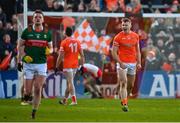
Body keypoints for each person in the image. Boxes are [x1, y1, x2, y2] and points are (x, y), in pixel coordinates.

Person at [17, 10, 53, 119]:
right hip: (29, 65)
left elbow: (51, 48)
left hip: (41, 64)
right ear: (32, 19)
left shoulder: (47, 33)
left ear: (43, 19)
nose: (37, 18)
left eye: (39, 17)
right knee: (27, 92)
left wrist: (49, 51)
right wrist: (21, 58)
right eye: (35, 17)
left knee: (38, 88)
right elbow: (20, 46)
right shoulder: (26, 31)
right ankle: (27, 96)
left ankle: (34, 112)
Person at [112, 18, 141, 112]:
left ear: (130, 25)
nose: (124, 26)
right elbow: (114, 52)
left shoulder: (136, 36)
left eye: (126, 25)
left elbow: (138, 51)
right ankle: (124, 103)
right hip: (122, 63)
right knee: (123, 82)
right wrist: (120, 63)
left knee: (130, 86)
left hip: (133, 63)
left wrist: (139, 62)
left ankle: (125, 99)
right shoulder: (118, 37)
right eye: (123, 25)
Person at [55, 27, 85, 105]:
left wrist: (56, 66)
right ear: (72, 33)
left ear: (65, 33)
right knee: (69, 82)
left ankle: (74, 100)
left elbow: (60, 56)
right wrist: (82, 66)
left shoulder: (64, 42)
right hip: (75, 65)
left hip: (67, 65)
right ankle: (64, 100)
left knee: (70, 82)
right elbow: (82, 55)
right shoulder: (78, 42)